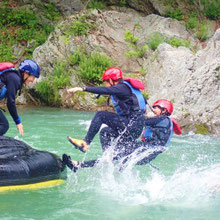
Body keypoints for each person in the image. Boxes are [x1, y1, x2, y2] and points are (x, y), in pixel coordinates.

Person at [62, 99, 182, 172]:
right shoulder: (162, 120)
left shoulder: (163, 120)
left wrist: (137, 111)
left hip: (146, 151)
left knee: (114, 156)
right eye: (154, 107)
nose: (154, 109)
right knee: (106, 132)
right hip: (143, 148)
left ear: (164, 111)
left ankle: (79, 165)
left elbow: (140, 122)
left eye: (156, 108)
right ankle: (106, 157)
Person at [65, 66, 146, 152]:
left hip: (131, 126)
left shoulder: (122, 88)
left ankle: (85, 143)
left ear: (111, 80)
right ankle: (108, 158)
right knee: (105, 132)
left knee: (101, 115)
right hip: (135, 128)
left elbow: (105, 90)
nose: (106, 84)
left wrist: (83, 88)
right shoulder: (127, 88)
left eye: (106, 82)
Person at [0, 59, 40, 136]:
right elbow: (10, 103)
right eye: (33, 77)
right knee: (4, 125)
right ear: (26, 73)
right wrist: (18, 122)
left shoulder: (13, 77)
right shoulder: (15, 79)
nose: (32, 80)